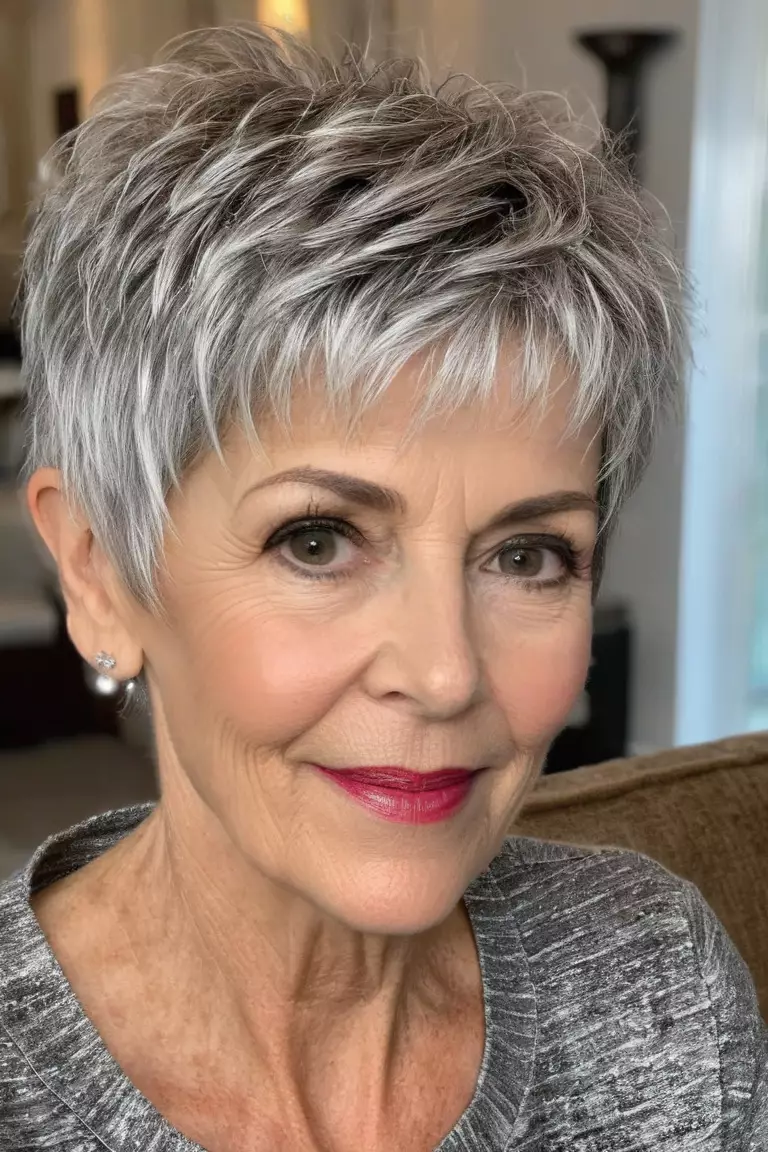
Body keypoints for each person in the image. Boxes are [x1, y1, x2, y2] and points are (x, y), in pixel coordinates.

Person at [0, 22, 765, 1152]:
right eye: (318, 541)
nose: (447, 671)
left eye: (527, 555)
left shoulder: (655, 981)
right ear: (98, 572)